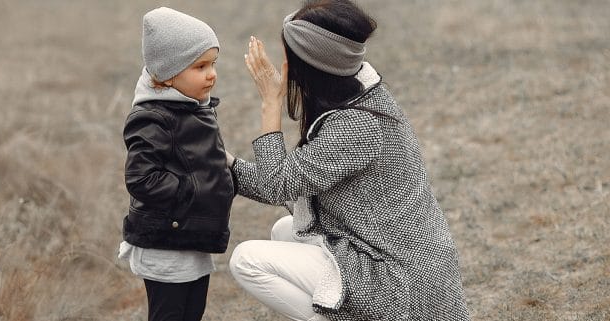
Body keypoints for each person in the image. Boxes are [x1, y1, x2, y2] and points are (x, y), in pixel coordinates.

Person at [225, 0, 470, 320]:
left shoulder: (356, 125)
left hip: (402, 284)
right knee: (287, 230)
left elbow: (278, 186)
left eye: (289, 54)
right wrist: (225, 165)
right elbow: (291, 180)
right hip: (391, 259)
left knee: (246, 260)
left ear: (311, 64)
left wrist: (271, 103)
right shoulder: (361, 96)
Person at [117, 7, 234, 321]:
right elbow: (141, 178)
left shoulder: (195, 108)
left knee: (192, 312)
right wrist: (190, 191)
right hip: (166, 243)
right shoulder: (152, 117)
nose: (211, 74)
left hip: (191, 238)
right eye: (200, 66)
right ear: (168, 73)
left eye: (213, 64)